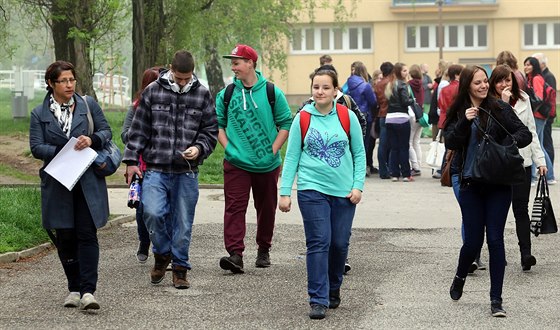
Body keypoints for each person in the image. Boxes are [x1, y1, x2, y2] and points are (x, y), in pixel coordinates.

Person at [123, 50, 218, 289]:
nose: (183, 82)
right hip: (155, 168)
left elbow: (210, 132)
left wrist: (199, 148)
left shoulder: (203, 94)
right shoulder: (153, 91)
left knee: (183, 222)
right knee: (152, 213)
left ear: (193, 72)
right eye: (179, 77)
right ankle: (162, 252)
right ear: (170, 69)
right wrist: (132, 161)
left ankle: (180, 268)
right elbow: (139, 130)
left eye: (187, 78)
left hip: (186, 171)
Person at [444, 65, 531, 317]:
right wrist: (464, 121)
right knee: (472, 241)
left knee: (495, 239)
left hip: (498, 182)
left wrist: (505, 145)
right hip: (470, 182)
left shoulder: (499, 108)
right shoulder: (460, 110)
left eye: (485, 81)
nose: (483, 86)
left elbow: (523, 134)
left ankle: (496, 300)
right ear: (467, 86)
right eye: (477, 83)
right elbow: (450, 141)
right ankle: (460, 275)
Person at [278, 69, 365, 320]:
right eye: (316, 87)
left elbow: (359, 154)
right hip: (311, 189)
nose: (320, 91)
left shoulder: (347, 117)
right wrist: (285, 192)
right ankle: (318, 298)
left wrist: (358, 186)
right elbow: (292, 155)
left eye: (326, 87)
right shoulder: (302, 118)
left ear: (336, 90)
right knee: (319, 242)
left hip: (344, 192)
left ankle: (333, 287)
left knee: (339, 244)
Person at [29, 60, 112, 310]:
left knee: (87, 233)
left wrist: (92, 138)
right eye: (63, 81)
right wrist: (62, 151)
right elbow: (36, 147)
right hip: (58, 182)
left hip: (86, 182)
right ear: (51, 84)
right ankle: (73, 288)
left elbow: (107, 132)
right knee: (65, 236)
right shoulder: (39, 113)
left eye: (72, 79)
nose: (69, 85)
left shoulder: (88, 105)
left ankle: (88, 291)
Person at [216, 44, 292, 274]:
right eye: (232, 63)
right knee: (234, 207)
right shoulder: (227, 94)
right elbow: (217, 125)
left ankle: (263, 249)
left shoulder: (271, 92)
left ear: (250, 63)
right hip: (237, 163)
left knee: (266, 208)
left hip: (267, 164)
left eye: (237, 62)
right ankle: (235, 254)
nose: (233, 67)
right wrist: (229, 148)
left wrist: (273, 149)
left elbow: (286, 123)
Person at [489, 65, 547, 271]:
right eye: (499, 81)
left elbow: (531, 131)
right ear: (493, 83)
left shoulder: (523, 98)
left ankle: (526, 254)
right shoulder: (489, 103)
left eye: (508, 80)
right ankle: (498, 254)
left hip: (521, 162)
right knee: (499, 211)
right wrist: (503, 104)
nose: (504, 85)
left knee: (521, 209)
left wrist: (540, 161)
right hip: (498, 164)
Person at [121, 67, 160, 263]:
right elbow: (124, 134)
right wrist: (140, 132)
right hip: (140, 165)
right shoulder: (136, 108)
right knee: (142, 208)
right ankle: (144, 242)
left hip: (161, 164)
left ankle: (162, 246)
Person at [523, 56, 556, 184]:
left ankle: (538, 177)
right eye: (525, 64)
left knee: (535, 145)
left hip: (538, 116)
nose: (526, 67)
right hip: (540, 116)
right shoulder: (534, 78)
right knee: (540, 145)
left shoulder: (536, 78)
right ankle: (549, 176)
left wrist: (529, 109)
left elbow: (538, 98)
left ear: (534, 66)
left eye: (529, 65)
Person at [345, 61, 377, 176]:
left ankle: (351, 167)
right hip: (365, 116)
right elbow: (373, 102)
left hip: (351, 115)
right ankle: (362, 168)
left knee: (352, 141)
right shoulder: (366, 85)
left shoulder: (348, 83)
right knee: (364, 143)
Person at [385, 62, 414, 182]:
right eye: (404, 70)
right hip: (402, 118)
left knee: (394, 148)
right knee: (403, 147)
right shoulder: (402, 84)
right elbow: (405, 101)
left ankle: (394, 174)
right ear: (399, 72)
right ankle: (406, 174)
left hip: (389, 118)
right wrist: (412, 100)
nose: (407, 73)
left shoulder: (389, 84)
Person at [532, 52, 556, 173]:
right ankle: (549, 172)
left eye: (533, 62)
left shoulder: (547, 76)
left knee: (544, 144)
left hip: (543, 114)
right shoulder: (543, 75)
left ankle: (549, 172)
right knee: (542, 144)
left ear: (541, 63)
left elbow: (545, 98)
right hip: (544, 114)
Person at [374, 61, 394, 179]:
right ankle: (392, 169)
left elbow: (376, 101)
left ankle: (382, 171)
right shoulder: (392, 83)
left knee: (382, 144)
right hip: (391, 114)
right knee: (393, 144)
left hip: (381, 114)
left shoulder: (378, 84)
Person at [408, 64, 425, 176]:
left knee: (409, 142)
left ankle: (415, 166)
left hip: (412, 115)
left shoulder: (408, 85)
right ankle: (418, 164)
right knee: (417, 142)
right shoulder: (422, 85)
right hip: (421, 115)